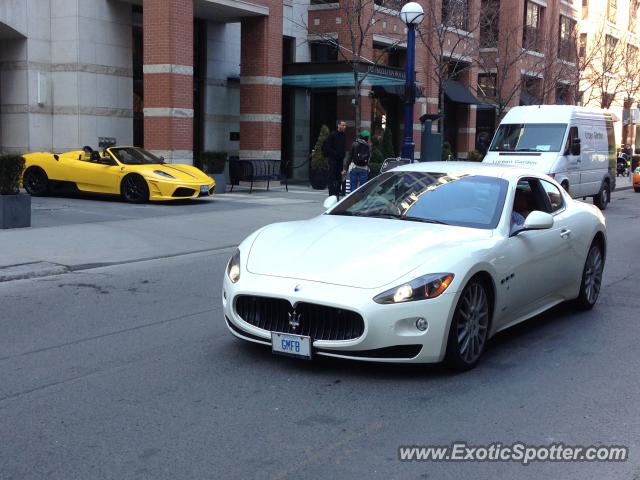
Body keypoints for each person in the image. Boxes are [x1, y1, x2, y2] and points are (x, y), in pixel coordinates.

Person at [324, 120, 347, 198]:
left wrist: (342, 155)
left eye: (345, 125)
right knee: (332, 177)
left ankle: (337, 193)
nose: (344, 127)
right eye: (343, 125)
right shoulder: (333, 135)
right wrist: (335, 154)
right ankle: (331, 194)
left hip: (340, 160)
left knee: (338, 177)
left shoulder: (343, 135)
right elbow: (327, 147)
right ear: (338, 125)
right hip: (333, 160)